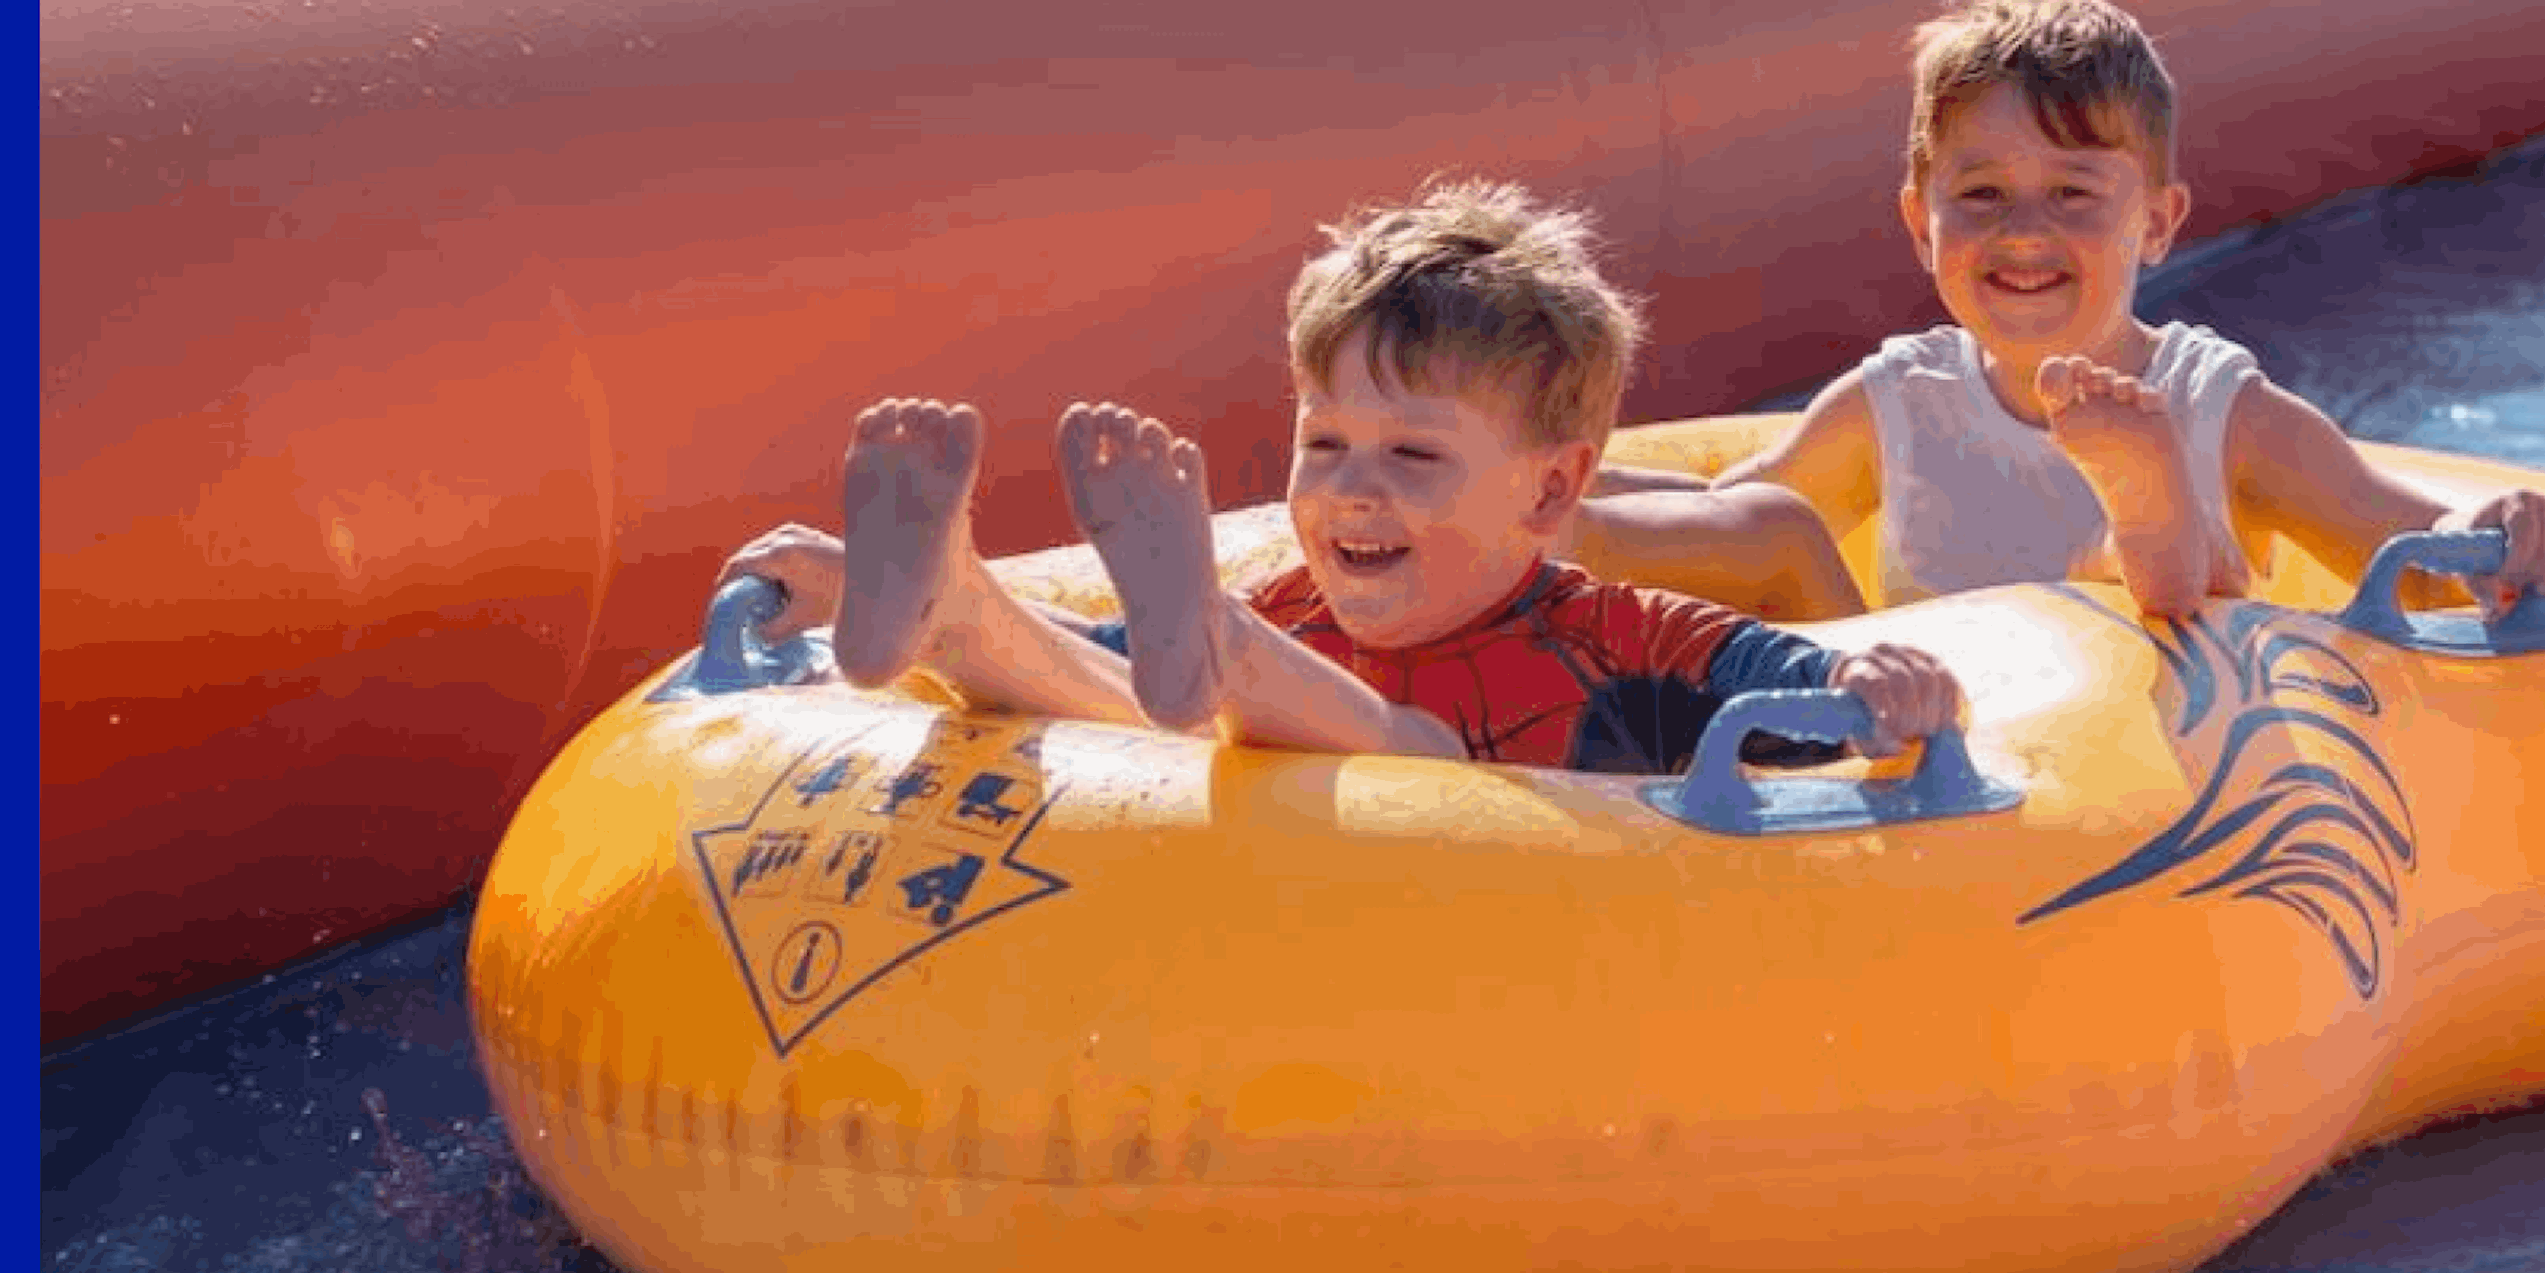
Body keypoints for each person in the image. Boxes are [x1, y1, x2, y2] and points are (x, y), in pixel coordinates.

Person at [723, 179, 1961, 772]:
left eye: (1416, 455)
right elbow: (1104, 653)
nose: (1355, 491)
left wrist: (1871, 673)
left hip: (1529, 911)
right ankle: (954, 607)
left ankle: (1203, 650)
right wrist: (844, 582)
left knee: (1406, 744)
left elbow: (1787, 676)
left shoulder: (1624, 632)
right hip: (1302, 879)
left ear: (1545, 492)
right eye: (1325, 446)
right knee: (1115, 676)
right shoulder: (1300, 599)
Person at [1583, 0, 2545, 622]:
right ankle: (1540, 512)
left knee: (2120, 588)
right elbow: (1725, 526)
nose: (2023, 231)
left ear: (2156, 221)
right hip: (1936, 758)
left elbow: (2405, 554)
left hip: (2146, 775)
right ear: (1917, 220)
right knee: (1768, 527)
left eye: (2073, 193)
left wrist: (2507, 529)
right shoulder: (1895, 400)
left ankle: (2144, 527)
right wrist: (1564, 484)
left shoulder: (2219, 409)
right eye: (1980, 196)